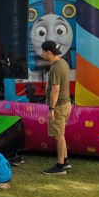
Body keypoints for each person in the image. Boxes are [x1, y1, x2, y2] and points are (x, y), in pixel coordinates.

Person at [41, 39, 72, 175]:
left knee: (58, 136)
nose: (42, 54)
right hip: (66, 104)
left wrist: (51, 109)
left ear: (48, 52)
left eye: (43, 52)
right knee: (61, 134)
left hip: (59, 106)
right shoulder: (63, 62)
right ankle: (65, 161)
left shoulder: (55, 68)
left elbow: (55, 90)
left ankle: (60, 166)